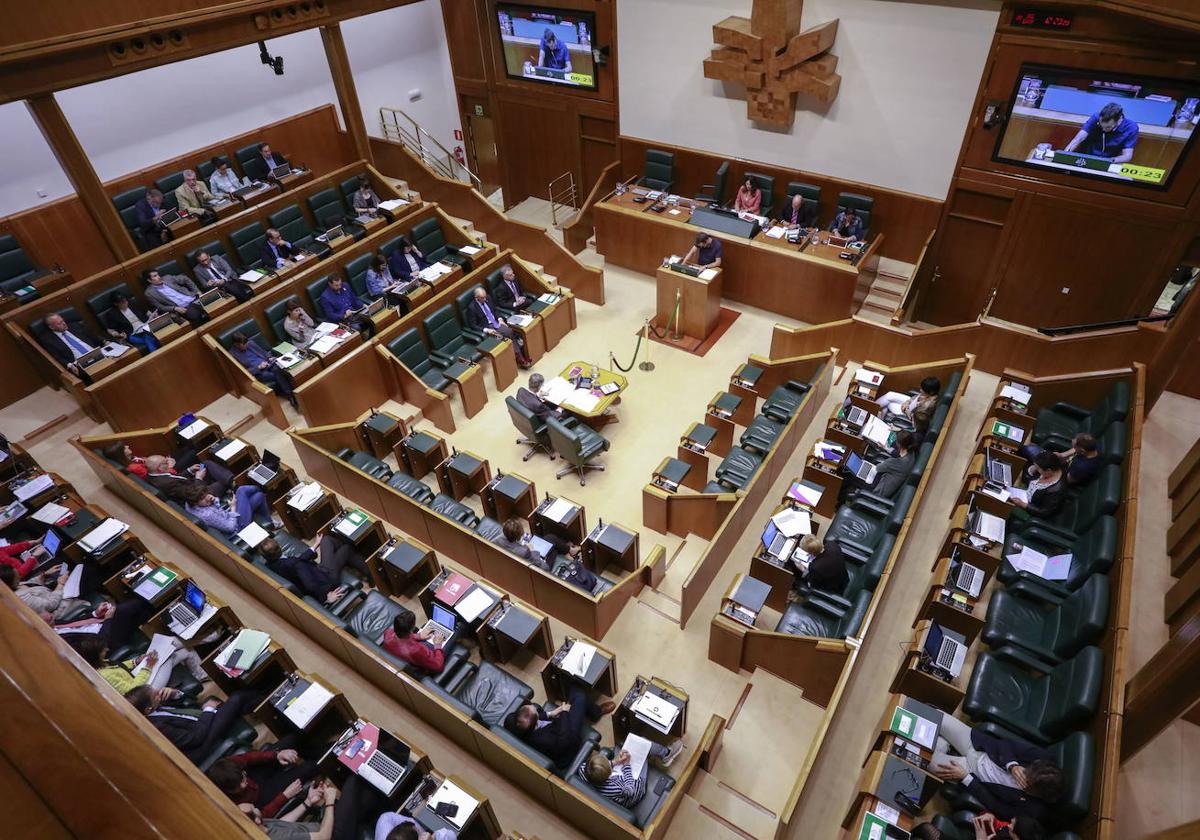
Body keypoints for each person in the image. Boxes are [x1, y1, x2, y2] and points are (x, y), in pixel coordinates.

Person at [929, 713, 1064, 824]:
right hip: (977, 745)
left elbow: (995, 806)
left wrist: (966, 778)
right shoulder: (1043, 758)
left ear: (1037, 794)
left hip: (968, 771)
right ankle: (941, 745)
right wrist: (1012, 765)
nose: (1023, 775)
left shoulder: (1032, 810)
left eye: (1027, 781)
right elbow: (1005, 744)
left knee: (920, 755)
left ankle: (941, 745)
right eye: (1026, 772)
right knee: (932, 715)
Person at [127, 683, 264, 764]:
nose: (159, 693)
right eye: (156, 695)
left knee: (240, 701)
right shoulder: (158, 727)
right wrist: (208, 710)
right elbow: (195, 738)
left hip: (199, 722)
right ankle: (268, 697)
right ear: (148, 710)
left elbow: (181, 705)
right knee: (237, 698)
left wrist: (175, 694)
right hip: (203, 741)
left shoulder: (151, 708)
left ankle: (263, 698)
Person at [504, 685, 616, 768]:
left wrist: (550, 714)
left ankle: (582, 704)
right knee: (579, 695)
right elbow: (566, 738)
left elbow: (534, 719)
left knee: (572, 691)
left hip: (555, 733)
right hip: (568, 744)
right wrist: (565, 712)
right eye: (535, 711)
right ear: (536, 721)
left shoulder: (514, 723)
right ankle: (596, 712)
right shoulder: (546, 740)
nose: (534, 706)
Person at [207, 742, 320, 818]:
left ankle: (320, 751)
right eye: (239, 786)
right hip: (261, 798)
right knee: (309, 767)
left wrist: (276, 755)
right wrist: (285, 796)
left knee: (291, 740)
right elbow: (261, 816)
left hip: (255, 776)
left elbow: (248, 758)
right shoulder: (228, 805)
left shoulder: (228, 765)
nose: (244, 784)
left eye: (242, 778)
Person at [70, 633, 206, 693]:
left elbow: (120, 667)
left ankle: (202, 675)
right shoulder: (104, 677)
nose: (107, 649)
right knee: (170, 656)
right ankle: (208, 638)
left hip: (137, 675)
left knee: (179, 646)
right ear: (94, 655)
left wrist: (137, 661)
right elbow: (134, 691)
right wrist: (148, 666)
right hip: (146, 689)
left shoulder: (98, 662)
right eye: (102, 650)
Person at [258, 536, 370, 605]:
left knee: (326, 540)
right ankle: (371, 573)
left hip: (316, 573)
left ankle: (353, 558)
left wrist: (315, 545)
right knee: (346, 549)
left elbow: (298, 561)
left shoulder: (269, 564)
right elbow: (310, 586)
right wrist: (327, 599)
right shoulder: (294, 564)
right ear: (279, 548)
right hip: (327, 581)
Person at [580, 740, 683, 807]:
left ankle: (657, 754)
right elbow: (630, 790)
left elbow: (601, 766)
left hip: (618, 785)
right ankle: (666, 755)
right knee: (643, 746)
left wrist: (616, 762)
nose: (610, 761)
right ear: (608, 774)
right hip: (633, 790)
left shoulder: (583, 769)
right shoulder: (616, 787)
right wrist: (626, 765)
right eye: (609, 764)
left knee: (632, 749)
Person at [238, 782, 338, 840]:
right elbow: (324, 836)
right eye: (254, 808)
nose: (257, 808)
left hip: (320, 827)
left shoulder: (260, 827)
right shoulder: (279, 838)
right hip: (330, 834)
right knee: (351, 784)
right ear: (257, 821)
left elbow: (281, 823)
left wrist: (308, 802)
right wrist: (330, 801)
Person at [229, 331, 297, 408]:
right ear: (236, 344)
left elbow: (264, 353)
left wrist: (269, 358)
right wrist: (258, 367)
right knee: (279, 373)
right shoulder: (233, 355)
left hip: (269, 364)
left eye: (246, 342)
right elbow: (243, 373)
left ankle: (290, 394)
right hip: (259, 373)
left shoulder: (250, 343)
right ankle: (291, 395)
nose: (246, 345)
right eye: (243, 344)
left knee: (280, 368)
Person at [465, 286, 530, 367]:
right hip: (488, 327)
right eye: (482, 298)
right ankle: (521, 358)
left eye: (485, 297)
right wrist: (486, 330)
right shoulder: (472, 308)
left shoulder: (488, 297)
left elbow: (495, 310)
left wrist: (500, 319)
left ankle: (520, 357)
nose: (485, 299)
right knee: (506, 337)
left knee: (510, 332)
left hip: (496, 322)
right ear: (476, 298)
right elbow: (473, 325)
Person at [491, 516, 581, 573]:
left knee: (550, 538)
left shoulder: (497, 540)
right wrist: (532, 550)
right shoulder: (524, 551)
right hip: (539, 566)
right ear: (518, 535)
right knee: (553, 546)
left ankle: (568, 550)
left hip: (514, 560)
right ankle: (570, 550)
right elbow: (543, 567)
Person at [845, 430, 916, 501]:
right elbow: (897, 453)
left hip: (879, 491)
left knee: (848, 475)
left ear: (898, 444)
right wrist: (885, 447)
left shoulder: (894, 462)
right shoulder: (911, 453)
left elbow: (878, 468)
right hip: (888, 482)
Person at [181, 482, 275, 536]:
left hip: (228, 516)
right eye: (202, 498)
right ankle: (264, 487)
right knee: (241, 490)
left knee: (259, 496)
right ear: (194, 502)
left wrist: (213, 500)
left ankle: (271, 522)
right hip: (238, 528)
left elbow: (216, 508)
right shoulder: (208, 515)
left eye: (206, 494)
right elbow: (231, 528)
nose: (207, 498)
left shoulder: (189, 504)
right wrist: (233, 507)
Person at [56, 598, 153, 649]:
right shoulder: (60, 643)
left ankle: (154, 613)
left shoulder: (53, 625)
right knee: (128, 608)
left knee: (135, 611)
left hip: (99, 623)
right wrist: (107, 620)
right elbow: (95, 646)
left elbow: (75, 623)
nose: (49, 614)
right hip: (105, 640)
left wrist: (95, 613)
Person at [381, 607, 452, 673]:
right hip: (421, 667)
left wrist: (418, 636)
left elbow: (401, 639)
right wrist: (437, 645)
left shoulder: (388, 633)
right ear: (412, 629)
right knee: (458, 630)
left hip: (406, 658)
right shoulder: (417, 650)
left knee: (425, 627)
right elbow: (438, 666)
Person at [1063, 102, 1138, 164]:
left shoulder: (1131, 127)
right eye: (1101, 125)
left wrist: (1106, 162)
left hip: (1109, 161)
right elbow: (1078, 139)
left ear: (1119, 120)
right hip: (1084, 158)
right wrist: (1064, 155)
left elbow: (1127, 156)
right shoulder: (1096, 117)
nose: (1103, 129)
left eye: (1108, 127)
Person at [1019, 433, 1101, 488]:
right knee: (1028, 449)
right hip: (1059, 464)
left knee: (1026, 475)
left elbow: (1064, 481)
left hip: (1059, 474)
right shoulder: (1091, 447)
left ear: (1083, 451)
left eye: (1075, 446)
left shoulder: (1082, 468)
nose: (1074, 448)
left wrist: (1045, 467)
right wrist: (1060, 456)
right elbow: (1073, 451)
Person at [143, 453, 232, 501]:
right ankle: (234, 483)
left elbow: (177, 478)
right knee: (222, 481)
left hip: (191, 484)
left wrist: (189, 470)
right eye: (166, 462)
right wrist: (198, 478)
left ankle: (231, 480)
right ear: (160, 468)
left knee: (205, 464)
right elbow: (193, 495)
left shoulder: (153, 475)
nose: (168, 463)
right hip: (200, 497)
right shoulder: (166, 484)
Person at [14, 562, 87, 620]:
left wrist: (44, 574)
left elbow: (31, 584)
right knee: (87, 571)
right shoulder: (22, 598)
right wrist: (61, 584)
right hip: (60, 605)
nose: (17, 572)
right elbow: (51, 605)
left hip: (52, 593)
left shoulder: (15, 586)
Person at [37, 312, 102, 375]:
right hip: (80, 365)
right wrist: (70, 365)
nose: (64, 324)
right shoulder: (49, 341)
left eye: (63, 321)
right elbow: (57, 357)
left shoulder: (75, 325)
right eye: (59, 323)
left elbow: (93, 336)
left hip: (98, 354)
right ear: (52, 327)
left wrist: (105, 341)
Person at [1011, 451, 1066, 519]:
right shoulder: (1050, 468)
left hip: (1030, 509)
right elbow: (1030, 477)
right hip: (1024, 493)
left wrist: (1022, 504)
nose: (1037, 469)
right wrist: (1032, 469)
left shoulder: (1056, 491)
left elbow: (1044, 512)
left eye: (1038, 468)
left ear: (1048, 470)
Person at [374, 812, 456, 840]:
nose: (424, 834)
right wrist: (433, 838)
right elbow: (452, 835)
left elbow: (385, 817)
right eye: (419, 833)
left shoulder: (385, 830)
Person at [968, 814, 1046, 840]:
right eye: (1012, 822)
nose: (1008, 825)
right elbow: (1001, 825)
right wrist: (992, 818)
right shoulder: (1009, 829)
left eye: (1012, 829)